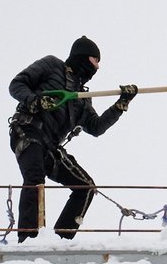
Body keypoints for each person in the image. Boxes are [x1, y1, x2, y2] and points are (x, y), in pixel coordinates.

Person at [8, 36, 138, 242]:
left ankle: (60, 240)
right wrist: (34, 101)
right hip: (28, 131)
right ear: (85, 57)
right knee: (35, 178)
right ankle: (28, 239)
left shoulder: (82, 99)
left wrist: (120, 105)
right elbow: (17, 84)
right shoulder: (51, 65)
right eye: (96, 60)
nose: (98, 67)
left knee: (85, 187)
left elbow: (96, 127)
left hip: (51, 147)